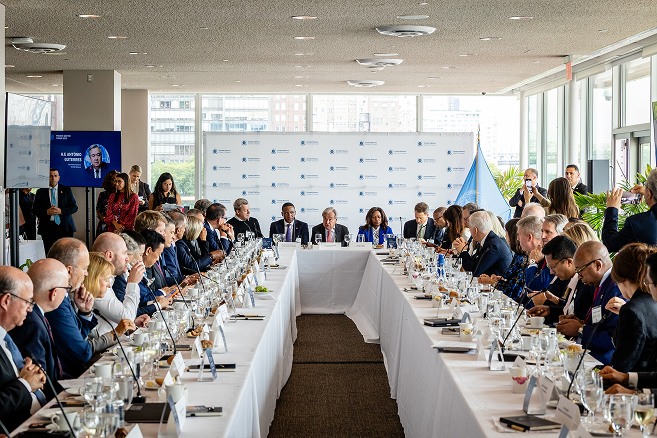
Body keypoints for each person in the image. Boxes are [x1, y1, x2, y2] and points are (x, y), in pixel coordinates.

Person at [556, 241, 624, 364]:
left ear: (598, 265)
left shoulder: (615, 288)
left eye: (580, 272)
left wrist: (580, 329)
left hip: (601, 362)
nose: (579, 278)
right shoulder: (603, 284)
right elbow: (601, 323)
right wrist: (580, 322)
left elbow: (613, 339)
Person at [9, 259, 67, 401]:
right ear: (54, 293)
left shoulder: (36, 316)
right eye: (66, 289)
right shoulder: (31, 322)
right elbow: (40, 379)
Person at [599, 252, 657, 394]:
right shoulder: (641, 306)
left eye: (648, 282)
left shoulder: (633, 310)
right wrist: (626, 378)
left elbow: (622, 363)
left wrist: (635, 394)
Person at [0, 266, 47, 431]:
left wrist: (33, 375)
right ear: (6, 301)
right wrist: (26, 384)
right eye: (27, 301)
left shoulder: (6, 336)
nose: (30, 308)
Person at [91, 233, 149, 328]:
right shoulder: (97, 282)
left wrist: (133, 323)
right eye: (124, 253)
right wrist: (133, 283)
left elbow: (117, 317)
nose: (127, 258)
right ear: (109, 255)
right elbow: (127, 317)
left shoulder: (109, 278)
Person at [527, 236, 580, 323]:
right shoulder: (570, 278)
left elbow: (577, 317)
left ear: (569, 262)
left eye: (553, 267)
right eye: (549, 267)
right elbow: (568, 309)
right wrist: (550, 308)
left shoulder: (585, 282)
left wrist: (546, 302)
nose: (551, 272)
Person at [602, 168, 657, 252]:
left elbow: (609, 244)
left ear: (649, 193)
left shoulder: (637, 223)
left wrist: (612, 209)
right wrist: (648, 192)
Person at [85, 253, 140, 336]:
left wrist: (133, 322)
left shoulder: (94, 295)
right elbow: (89, 345)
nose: (109, 285)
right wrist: (133, 283)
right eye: (106, 280)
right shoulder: (93, 295)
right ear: (94, 280)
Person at [479, 218, 527, 300]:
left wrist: (492, 283)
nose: (505, 235)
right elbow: (511, 281)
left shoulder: (522, 259)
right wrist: (499, 280)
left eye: (506, 232)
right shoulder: (517, 256)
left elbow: (513, 291)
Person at [452, 211, 512, 277]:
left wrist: (463, 251)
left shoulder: (493, 245)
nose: (470, 232)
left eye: (470, 229)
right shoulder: (486, 239)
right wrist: (459, 250)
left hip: (496, 286)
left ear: (475, 230)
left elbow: (474, 272)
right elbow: (473, 262)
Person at [32, 169, 78, 254]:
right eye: (51, 176)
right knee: (50, 254)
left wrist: (61, 211)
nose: (53, 178)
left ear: (58, 178)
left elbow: (74, 207)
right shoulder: (40, 192)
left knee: (66, 254)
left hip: (65, 228)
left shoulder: (66, 190)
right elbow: (35, 210)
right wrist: (46, 212)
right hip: (48, 229)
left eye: (55, 176)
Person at [137, 230, 173, 317]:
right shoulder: (136, 270)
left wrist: (155, 300)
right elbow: (141, 300)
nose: (157, 259)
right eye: (158, 254)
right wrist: (161, 294)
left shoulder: (149, 265)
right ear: (148, 251)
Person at [516, 215, 553, 292]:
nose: (517, 239)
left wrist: (532, 262)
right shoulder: (532, 253)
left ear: (529, 237)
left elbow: (533, 285)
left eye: (519, 234)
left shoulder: (547, 256)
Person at [96, 170, 118, 235]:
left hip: (118, 225)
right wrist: (105, 220)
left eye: (118, 180)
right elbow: (98, 210)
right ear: (109, 181)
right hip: (104, 224)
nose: (116, 182)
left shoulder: (122, 195)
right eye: (113, 180)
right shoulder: (103, 195)